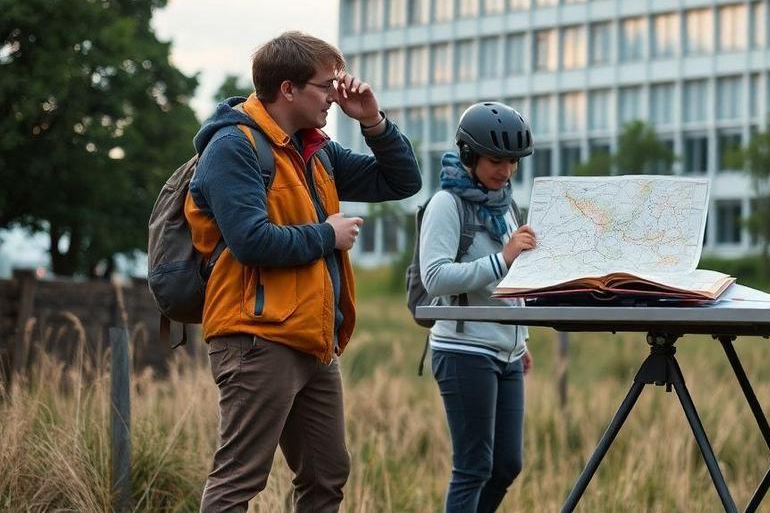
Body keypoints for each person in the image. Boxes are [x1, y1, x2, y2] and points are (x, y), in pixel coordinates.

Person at [186, 31, 422, 511]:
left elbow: (402, 181)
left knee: (326, 475)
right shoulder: (234, 147)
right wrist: (326, 235)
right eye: (327, 85)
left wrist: (373, 121)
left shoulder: (316, 151)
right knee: (240, 481)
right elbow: (251, 241)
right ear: (288, 89)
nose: (337, 95)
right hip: (256, 338)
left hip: (314, 340)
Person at [420, 101, 538, 513]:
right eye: (496, 160)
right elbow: (435, 278)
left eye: (512, 162)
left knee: (507, 465)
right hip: (463, 350)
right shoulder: (446, 205)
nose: (505, 171)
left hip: (507, 350)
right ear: (469, 155)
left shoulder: (505, 205)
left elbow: (512, 282)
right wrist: (501, 259)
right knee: (473, 467)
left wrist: (522, 335)